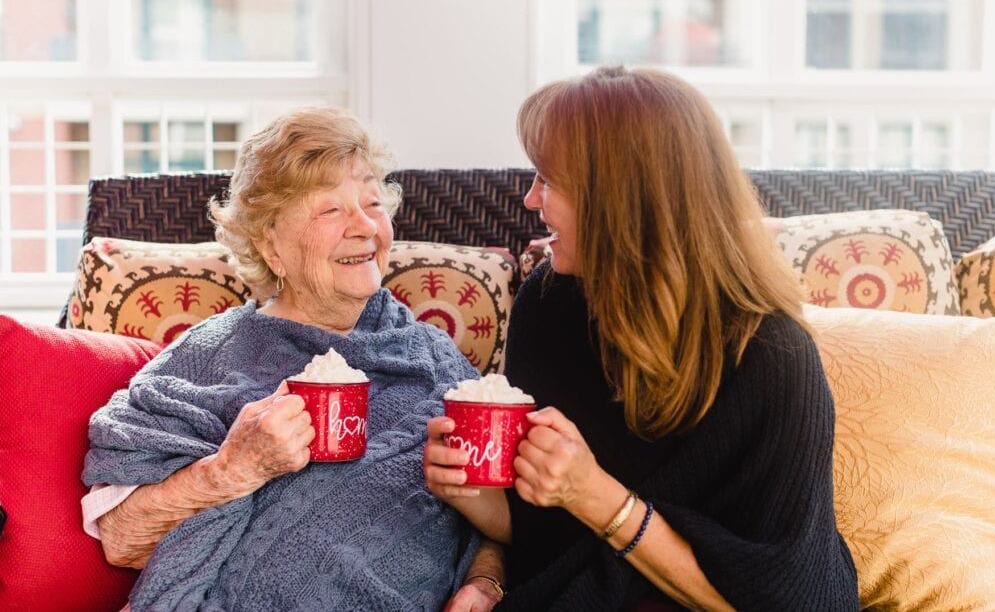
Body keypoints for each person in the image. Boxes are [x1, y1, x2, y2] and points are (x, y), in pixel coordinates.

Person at [424, 66, 859, 610]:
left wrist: (595, 495)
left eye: (550, 180)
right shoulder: (547, 303)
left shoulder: (773, 356)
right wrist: (477, 500)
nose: (532, 199)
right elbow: (553, 537)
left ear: (624, 198)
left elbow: (785, 597)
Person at [82, 107, 504, 611]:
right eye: (331, 211)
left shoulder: (436, 361)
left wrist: (485, 581)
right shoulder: (208, 356)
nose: (365, 227)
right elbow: (121, 537)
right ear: (270, 243)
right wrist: (235, 467)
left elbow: (502, 519)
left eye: (372, 202)